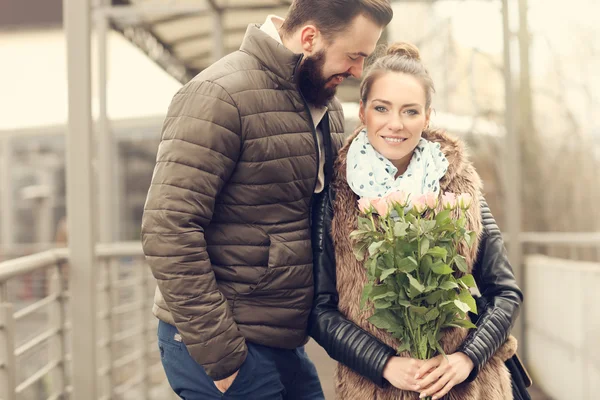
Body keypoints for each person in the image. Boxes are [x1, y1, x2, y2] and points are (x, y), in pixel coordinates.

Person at [140, 1, 394, 398]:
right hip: (223, 342)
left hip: (284, 341)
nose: (358, 71)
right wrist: (222, 356)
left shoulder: (326, 107)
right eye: (354, 55)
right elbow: (167, 227)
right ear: (309, 38)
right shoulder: (219, 93)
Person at [309, 42, 523, 400]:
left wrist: (466, 359)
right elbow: (320, 310)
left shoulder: (460, 183)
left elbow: (504, 292)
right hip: (374, 389)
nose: (396, 124)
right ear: (363, 112)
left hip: (467, 388)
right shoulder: (335, 190)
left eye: (410, 111)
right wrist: (385, 363)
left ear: (427, 117)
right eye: (382, 108)